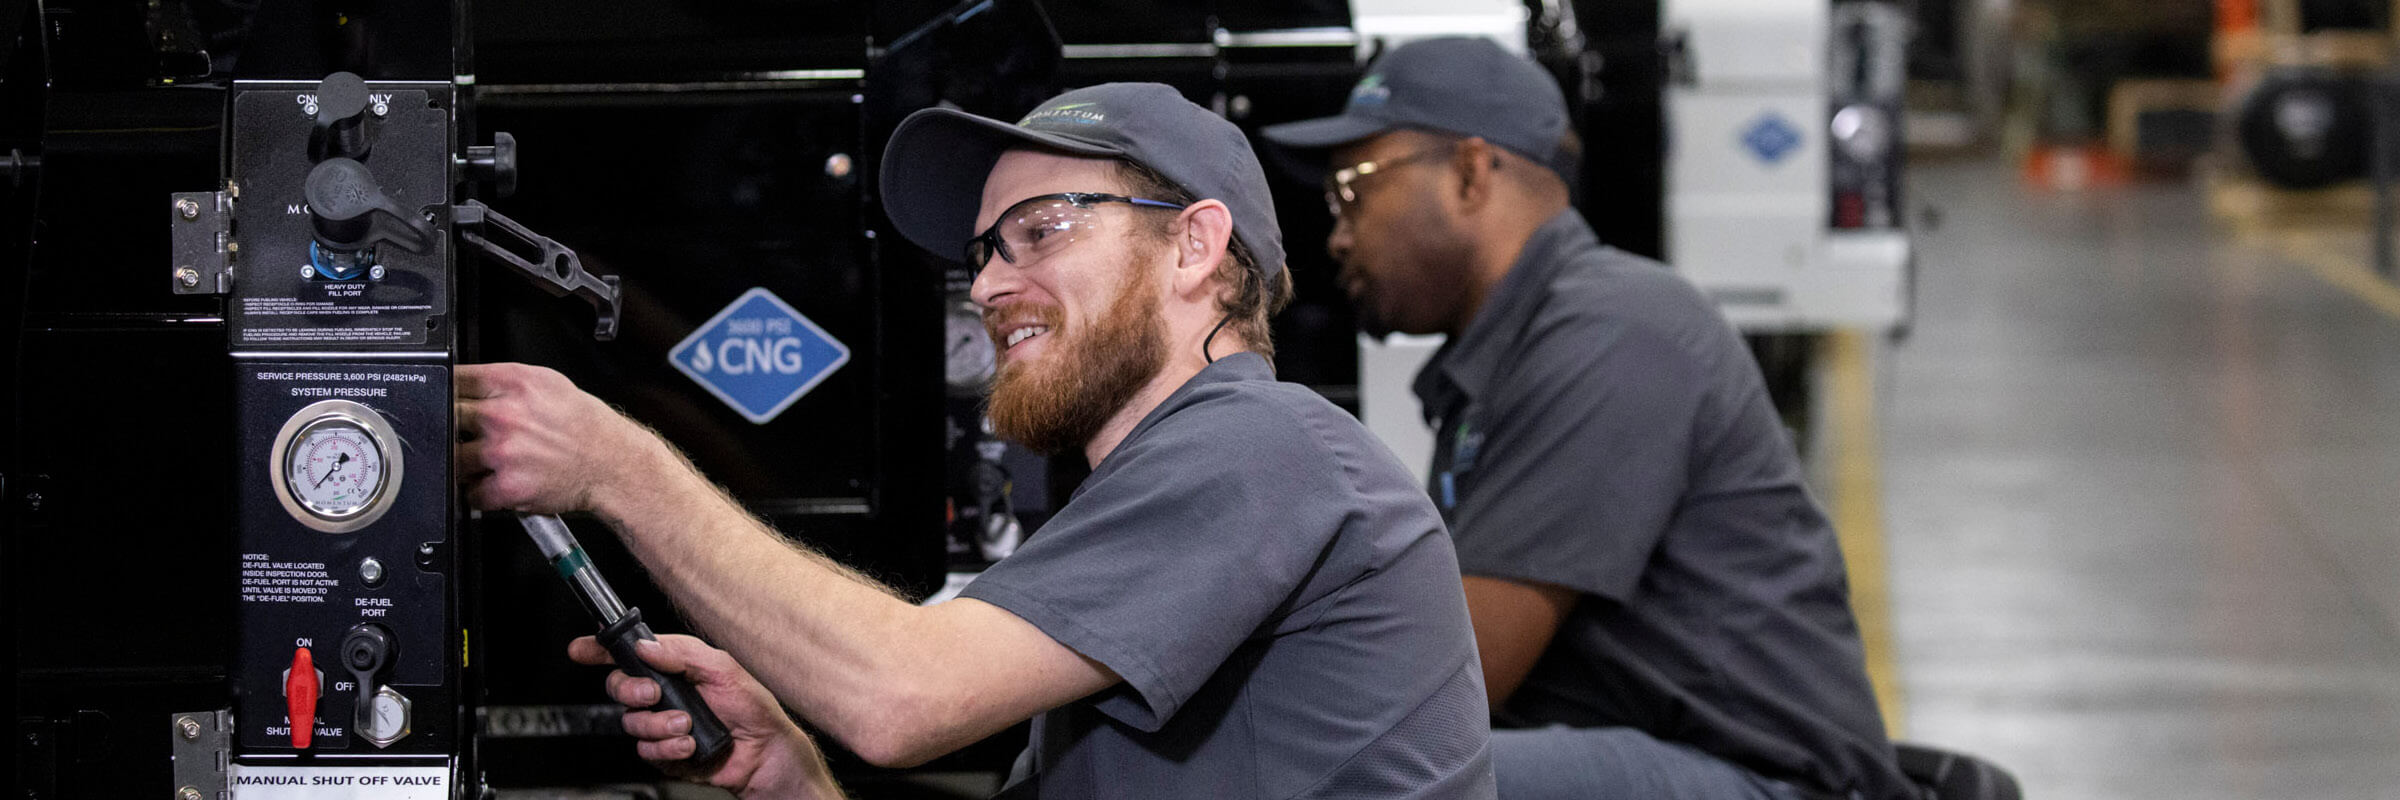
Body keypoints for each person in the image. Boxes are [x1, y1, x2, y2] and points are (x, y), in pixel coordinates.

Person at [458, 81, 1497, 799]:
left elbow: (901, 694)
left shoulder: (1265, 446)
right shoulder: (1137, 511)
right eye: (985, 249)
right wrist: (794, 773)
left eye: (1044, 227)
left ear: (1195, 244)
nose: (993, 283)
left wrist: (618, 462)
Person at [1260, 37, 1917, 800]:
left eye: (1354, 190)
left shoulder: (1613, 332)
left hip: (1765, 780)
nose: (1338, 233)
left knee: (1367, 774)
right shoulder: (1516, 348)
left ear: (1471, 173)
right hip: (1658, 752)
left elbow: (1451, 671)